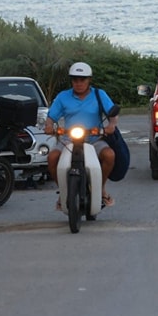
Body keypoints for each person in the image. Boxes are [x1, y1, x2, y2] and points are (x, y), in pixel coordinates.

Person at [43, 62, 119, 209]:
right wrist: (48, 126)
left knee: (109, 155)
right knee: (52, 158)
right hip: (68, 138)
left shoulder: (99, 94)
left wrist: (111, 125)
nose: (79, 83)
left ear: (89, 80)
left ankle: (100, 189)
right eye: (75, 80)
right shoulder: (63, 97)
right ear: (71, 81)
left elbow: (112, 114)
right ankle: (63, 192)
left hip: (94, 138)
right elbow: (51, 117)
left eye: (82, 79)